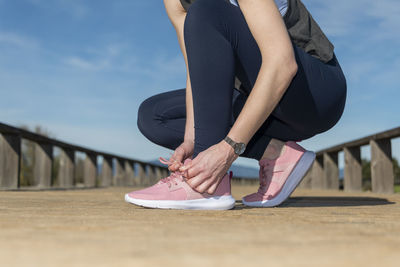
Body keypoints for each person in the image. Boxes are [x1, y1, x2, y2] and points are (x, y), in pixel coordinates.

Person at [125, 0, 347, 209]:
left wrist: (229, 149)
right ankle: (275, 152)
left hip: (313, 95)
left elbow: (282, 64)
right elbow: (198, 74)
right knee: (154, 117)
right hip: (262, 101)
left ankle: (206, 188)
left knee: (209, 7)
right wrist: (192, 140)